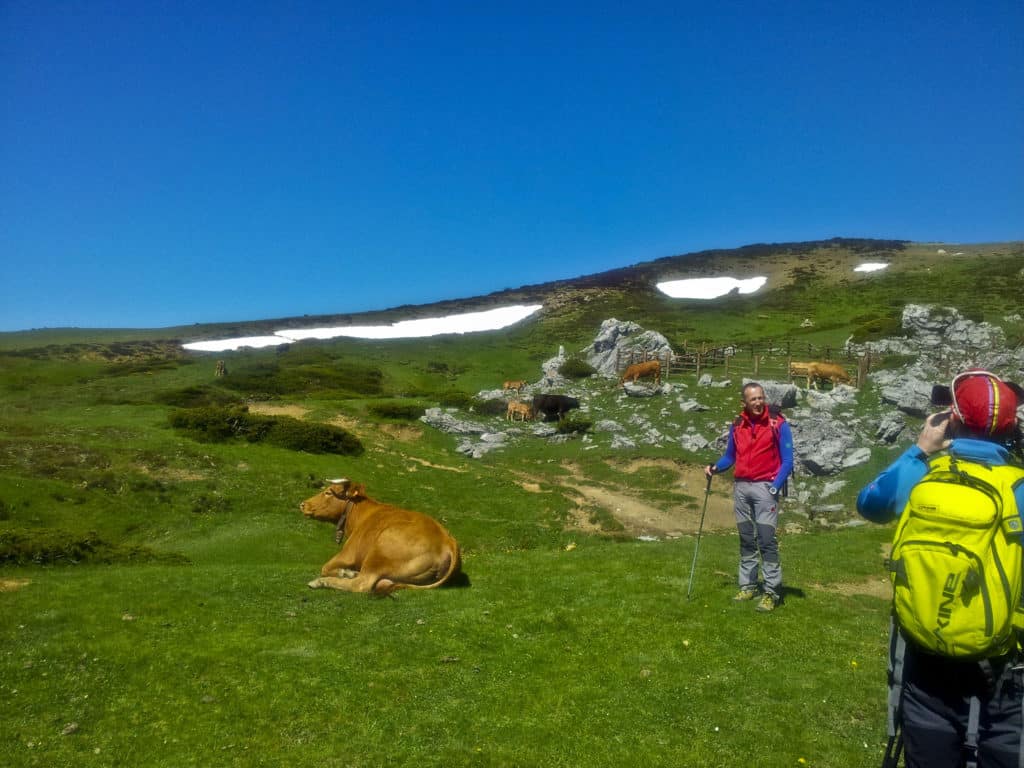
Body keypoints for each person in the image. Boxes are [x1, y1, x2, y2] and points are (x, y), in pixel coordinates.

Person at [857, 369, 1024, 768]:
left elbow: (869, 503)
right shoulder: (1018, 489)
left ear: (952, 418)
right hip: (1005, 674)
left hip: (925, 664)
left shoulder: (924, 475)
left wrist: (920, 449)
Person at [704, 381, 794, 612]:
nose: (758, 402)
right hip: (741, 487)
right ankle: (748, 585)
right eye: (753, 399)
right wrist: (715, 467)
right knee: (746, 539)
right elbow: (729, 457)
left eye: (760, 398)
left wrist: (774, 487)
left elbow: (788, 461)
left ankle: (772, 592)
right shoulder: (737, 425)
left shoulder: (778, 423)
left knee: (766, 540)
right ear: (744, 402)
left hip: (765, 488)